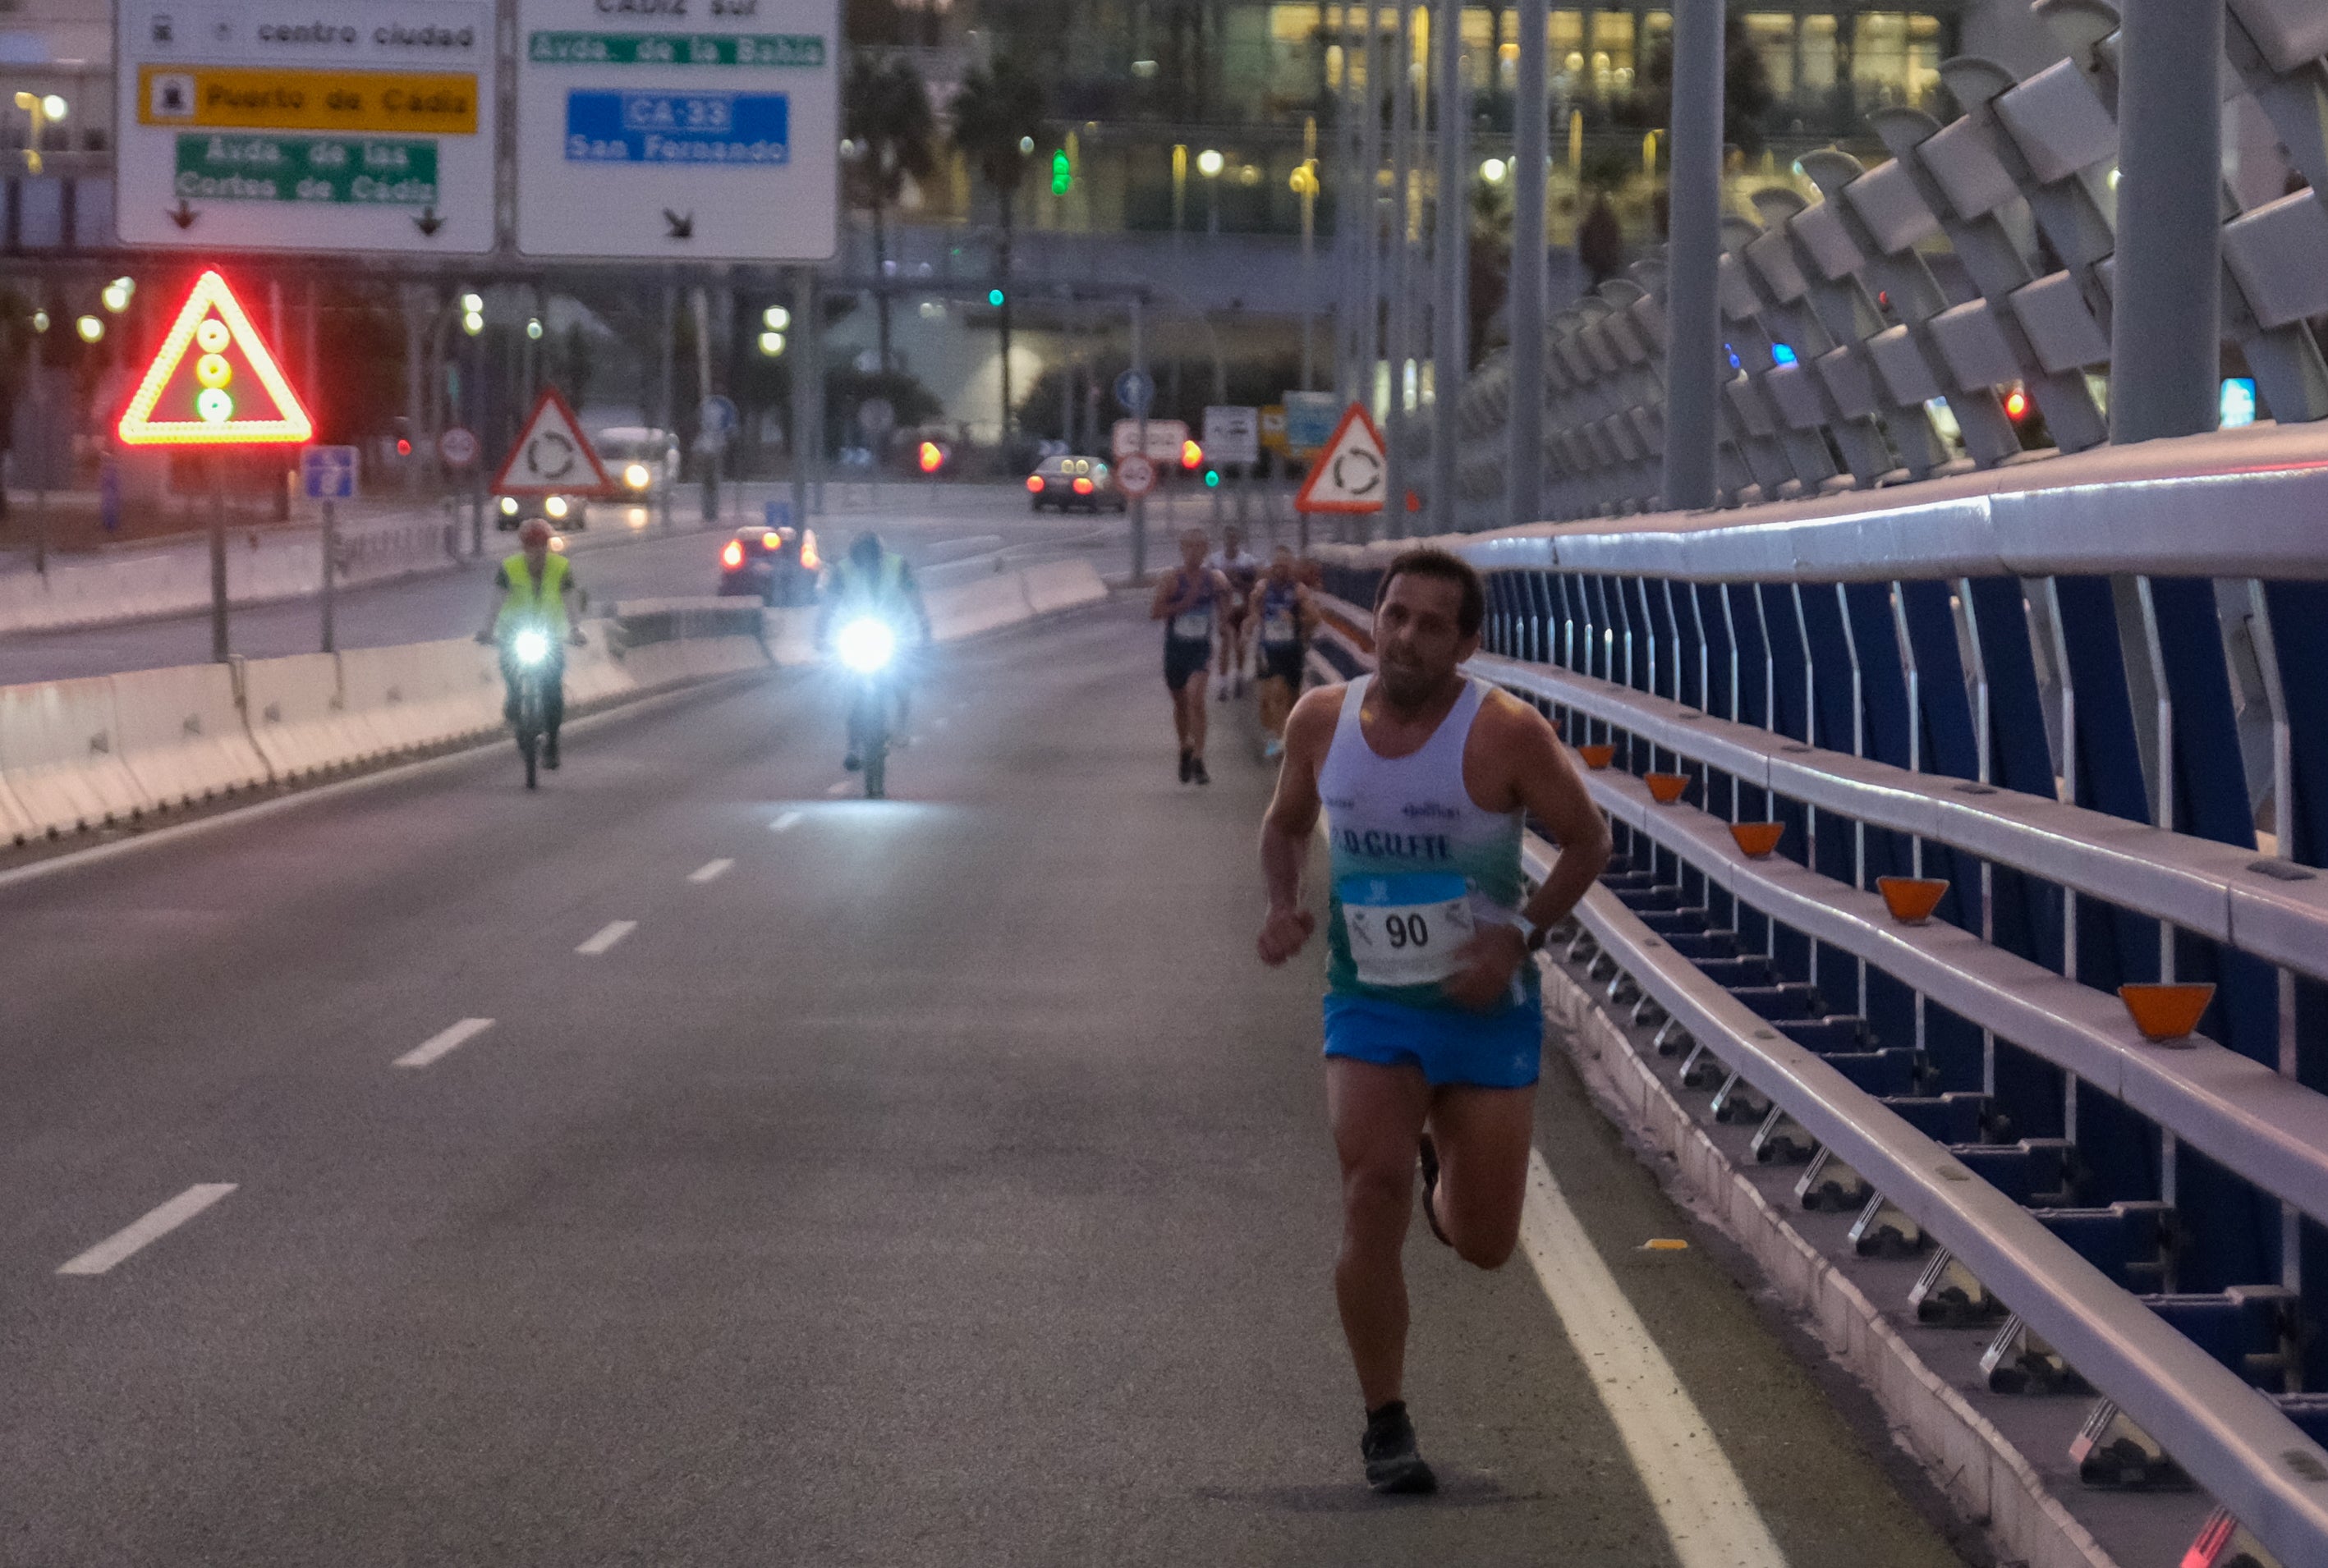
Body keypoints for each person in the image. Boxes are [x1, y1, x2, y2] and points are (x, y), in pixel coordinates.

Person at [1254, 547, 1611, 1495]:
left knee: (1487, 1241)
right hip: (1369, 1000)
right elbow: (1285, 822)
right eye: (1394, 613)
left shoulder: (1505, 733)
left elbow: (1588, 838)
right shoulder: (1321, 721)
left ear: (1466, 643)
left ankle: (1441, 1175)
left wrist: (1520, 935)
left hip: (1482, 1010)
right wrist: (1284, 902)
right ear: (1373, 616)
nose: (1404, 636)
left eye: (1430, 624)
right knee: (1369, 1191)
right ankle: (1386, 1420)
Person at [475, 518, 587, 768]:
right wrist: (487, 631)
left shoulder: (561, 568)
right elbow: (496, 602)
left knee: (553, 692)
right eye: (532, 545)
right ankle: (514, 701)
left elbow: (571, 602)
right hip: (514, 634)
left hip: (551, 635)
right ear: (524, 547)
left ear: (548, 546)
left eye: (542, 545)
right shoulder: (509, 568)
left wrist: (576, 630)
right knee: (510, 672)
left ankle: (553, 744)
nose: (537, 551)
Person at [819, 531, 932, 771]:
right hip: (856, 636)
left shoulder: (898, 566)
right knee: (850, 691)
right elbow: (828, 606)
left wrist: (925, 630)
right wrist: (819, 634)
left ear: (880, 557)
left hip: (894, 635)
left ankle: (900, 726)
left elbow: (915, 599)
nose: (866, 566)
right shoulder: (842, 571)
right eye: (861, 562)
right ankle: (853, 747)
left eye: (871, 561)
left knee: (902, 681)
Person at [1150, 526, 1229, 785]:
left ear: (1206, 549)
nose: (1194, 551)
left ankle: (1199, 757)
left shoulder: (1213, 579)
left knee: (1196, 698)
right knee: (1181, 703)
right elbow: (1155, 612)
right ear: (1182, 549)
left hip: (1200, 650)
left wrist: (1223, 623)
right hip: (1176, 649)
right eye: (1189, 546)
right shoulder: (1172, 579)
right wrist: (1182, 605)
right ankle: (1184, 746)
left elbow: (1225, 601)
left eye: (1200, 546)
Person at [1249, 546, 1317, 760]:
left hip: (1292, 651)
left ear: (1291, 567)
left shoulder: (1298, 591)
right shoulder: (1262, 589)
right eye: (1276, 564)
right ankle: (1277, 740)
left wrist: (1295, 620)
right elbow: (1253, 610)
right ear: (1272, 566)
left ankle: (1283, 737)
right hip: (1268, 650)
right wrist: (1251, 621)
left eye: (1284, 565)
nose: (1280, 569)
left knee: (1291, 699)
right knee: (1271, 695)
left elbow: (1315, 620)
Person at [1205, 525, 1263, 700]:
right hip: (1224, 608)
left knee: (1240, 645)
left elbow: (1255, 586)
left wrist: (1238, 581)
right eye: (1228, 538)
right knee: (1225, 645)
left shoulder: (1247, 561)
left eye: (1234, 538)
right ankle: (1223, 684)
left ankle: (1238, 677)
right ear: (1225, 540)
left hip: (1243, 608)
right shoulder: (1215, 560)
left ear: (1238, 540)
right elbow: (1209, 585)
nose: (1231, 541)